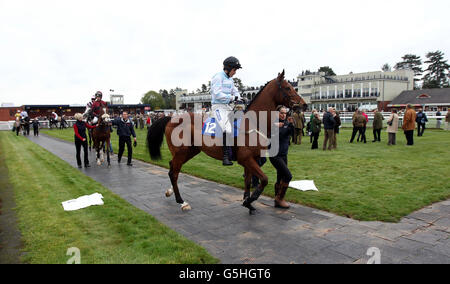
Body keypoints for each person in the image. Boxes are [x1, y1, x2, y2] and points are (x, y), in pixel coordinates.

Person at [210, 56, 242, 166]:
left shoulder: (230, 80)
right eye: (234, 70)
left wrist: (239, 97)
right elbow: (217, 94)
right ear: (228, 68)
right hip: (218, 107)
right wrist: (233, 98)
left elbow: (236, 91)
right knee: (226, 128)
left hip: (228, 107)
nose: (235, 72)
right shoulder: (218, 77)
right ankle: (225, 156)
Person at [269, 106, 294, 209]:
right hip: (275, 154)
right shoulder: (272, 124)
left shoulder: (285, 123)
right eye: (281, 113)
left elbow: (291, 133)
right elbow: (280, 134)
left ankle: (277, 200)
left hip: (283, 154)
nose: (284, 115)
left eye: (285, 113)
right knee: (288, 176)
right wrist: (281, 126)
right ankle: (279, 199)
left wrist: (291, 125)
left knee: (280, 177)